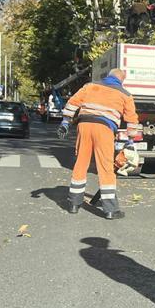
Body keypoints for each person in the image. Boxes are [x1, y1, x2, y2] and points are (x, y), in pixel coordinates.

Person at [57, 68, 142, 220]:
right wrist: (130, 141)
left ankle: (74, 204)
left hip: (84, 125)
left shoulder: (90, 86)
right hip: (104, 128)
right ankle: (110, 210)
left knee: (81, 163)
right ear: (121, 80)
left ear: (107, 76)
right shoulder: (125, 94)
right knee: (105, 167)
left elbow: (72, 103)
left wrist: (65, 122)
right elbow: (132, 120)